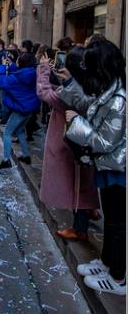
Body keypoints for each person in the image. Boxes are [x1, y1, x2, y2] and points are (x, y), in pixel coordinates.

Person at [56, 39, 126, 296]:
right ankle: (108, 263)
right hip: (109, 168)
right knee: (112, 220)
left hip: (119, 169)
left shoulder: (119, 100)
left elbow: (104, 141)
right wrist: (68, 85)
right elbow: (91, 107)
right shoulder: (109, 90)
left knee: (118, 223)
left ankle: (118, 278)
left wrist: (76, 123)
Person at [37, 46, 100, 241]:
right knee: (85, 178)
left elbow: (45, 93)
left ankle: (79, 227)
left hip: (70, 141)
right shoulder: (93, 85)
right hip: (88, 140)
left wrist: (44, 70)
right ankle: (90, 209)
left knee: (76, 183)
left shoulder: (70, 92)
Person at [0, 52, 40, 169]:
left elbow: (0, 81)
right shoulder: (33, 73)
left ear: (21, 63)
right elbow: (19, 72)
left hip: (20, 109)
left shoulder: (17, 78)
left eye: (17, 60)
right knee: (19, 131)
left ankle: (6, 160)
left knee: (8, 132)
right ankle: (26, 155)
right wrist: (12, 65)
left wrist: (3, 66)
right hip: (29, 109)